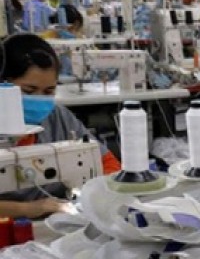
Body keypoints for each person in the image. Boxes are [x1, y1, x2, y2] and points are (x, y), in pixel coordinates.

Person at [0, 34, 121, 218]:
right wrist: (28, 209)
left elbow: (106, 163)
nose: (40, 98)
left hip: (53, 221)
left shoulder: (57, 116)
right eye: (29, 91)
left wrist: (96, 195)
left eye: (49, 91)